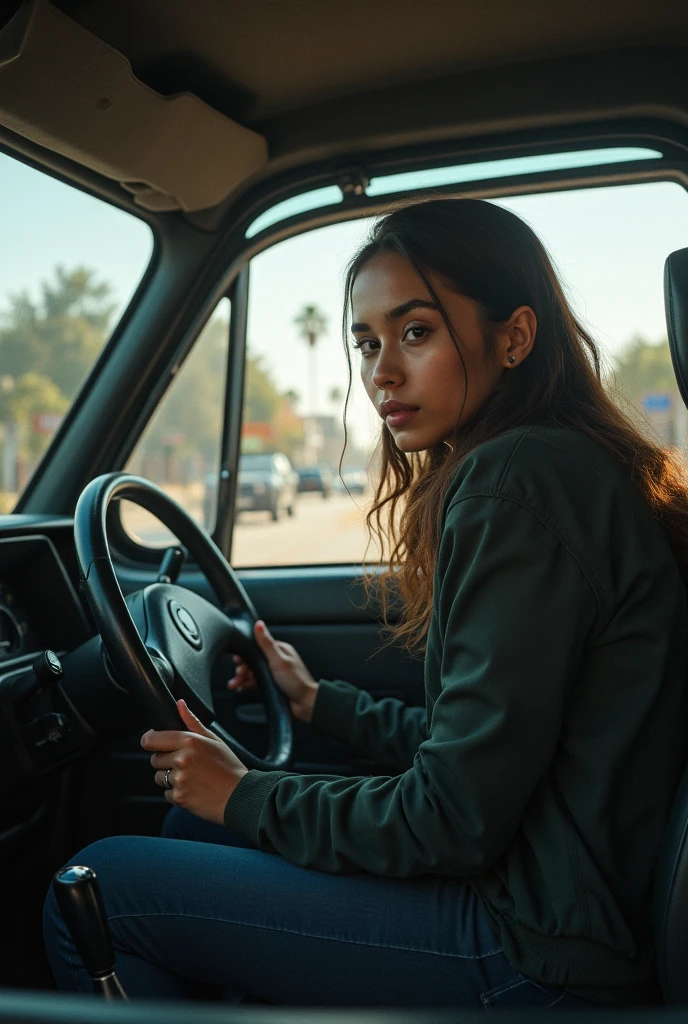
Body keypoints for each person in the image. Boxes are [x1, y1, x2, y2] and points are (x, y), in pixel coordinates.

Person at [44, 199, 688, 1009]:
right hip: (558, 900)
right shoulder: (560, 466)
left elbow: (454, 815)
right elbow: (485, 750)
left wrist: (246, 792)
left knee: (98, 886)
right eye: (367, 341)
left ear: (515, 337)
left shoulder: (514, 482)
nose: (381, 370)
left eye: (416, 332)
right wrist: (319, 704)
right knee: (189, 827)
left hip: (540, 947)